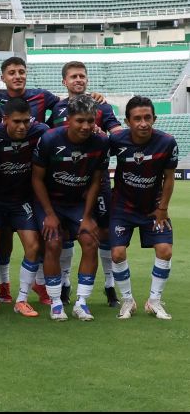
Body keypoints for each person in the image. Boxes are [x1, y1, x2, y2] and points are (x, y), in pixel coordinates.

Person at [48, 61, 123, 307]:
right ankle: (66, 282)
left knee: (101, 233)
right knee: (66, 233)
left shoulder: (101, 105)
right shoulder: (56, 107)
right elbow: (46, 136)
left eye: (82, 76)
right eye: (73, 76)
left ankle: (110, 285)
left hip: (95, 180)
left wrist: (105, 134)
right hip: (64, 182)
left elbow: (118, 133)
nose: (78, 80)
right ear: (64, 81)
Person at [31, 94, 109, 321]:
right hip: (49, 202)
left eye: (90, 121)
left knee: (90, 240)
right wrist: (49, 214)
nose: (85, 126)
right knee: (53, 243)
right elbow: (36, 179)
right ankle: (56, 303)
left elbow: (96, 181)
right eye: (80, 121)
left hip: (77, 203)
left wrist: (87, 216)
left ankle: (82, 303)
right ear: (69, 119)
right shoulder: (49, 139)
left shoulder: (100, 142)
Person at [109, 96, 178, 320]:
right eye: (137, 118)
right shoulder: (116, 140)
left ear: (154, 118)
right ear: (127, 121)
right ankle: (128, 301)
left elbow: (169, 178)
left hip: (153, 208)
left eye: (147, 117)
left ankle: (154, 301)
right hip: (122, 207)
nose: (143, 123)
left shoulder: (167, 142)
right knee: (118, 254)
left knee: (165, 250)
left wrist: (163, 208)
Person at [0, 98, 48, 317]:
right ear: (5, 120)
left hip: (22, 202)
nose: (22, 127)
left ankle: (21, 299)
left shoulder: (39, 132)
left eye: (26, 121)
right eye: (17, 122)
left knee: (33, 246)